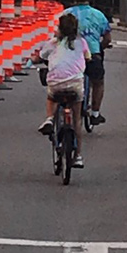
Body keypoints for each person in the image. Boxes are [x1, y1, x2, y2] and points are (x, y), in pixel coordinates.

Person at [35, 14, 91, 168]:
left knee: (51, 97)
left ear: (60, 28)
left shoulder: (53, 43)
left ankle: (49, 118)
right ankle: (78, 156)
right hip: (75, 84)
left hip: (56, 84)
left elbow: (39, 57)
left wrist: (35, 59)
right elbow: (88, 57)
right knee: (76, 119)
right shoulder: (81, 42)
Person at [63, 0, 111, 126]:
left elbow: (56, 35)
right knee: (98, 81)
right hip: (92, 54)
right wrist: (99, 49)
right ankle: (95, 113)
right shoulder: (98, 15)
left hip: (69, 55)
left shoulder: (65, 14)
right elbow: (108, 39)